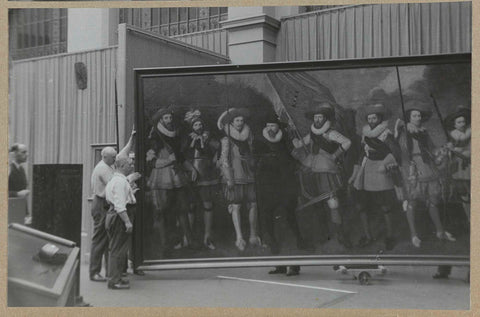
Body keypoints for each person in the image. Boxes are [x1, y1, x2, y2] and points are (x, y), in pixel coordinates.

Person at [395, 101, 455, 248]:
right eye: (414, 115)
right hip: (413, 168)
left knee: (433, 201)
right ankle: (414, 234)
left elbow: (432, 149)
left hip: (428, 166)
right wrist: (402, 134)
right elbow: (402, 151)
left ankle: (440, 231)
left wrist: (443, 150)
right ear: (409, 118)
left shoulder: (424, 132)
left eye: (419, 115)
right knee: (413, 202)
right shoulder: (405, 132)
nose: (418, 118)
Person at [291, 102, 352, 248]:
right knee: (317, 202)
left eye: (320, 117)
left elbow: (347, 142)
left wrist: (335, 155)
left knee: (332, 202)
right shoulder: (312, 133)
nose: (318, 120)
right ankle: (325, 234)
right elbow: (300, 144)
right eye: (316, 117)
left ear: (325, 118)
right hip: (311, 169)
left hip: (326, 169)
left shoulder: (330, 132)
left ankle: (340, 234)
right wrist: (293, 134)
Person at [349, 103, 402, 250]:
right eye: (370, 118)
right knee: (362, 205)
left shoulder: (386, 134)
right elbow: (362, 154)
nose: (372, 120)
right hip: (366, 171)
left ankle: (390, 236)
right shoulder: (365, 135)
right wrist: (355, 173)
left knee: (385, 206)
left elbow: (395, 153)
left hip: (381, 171)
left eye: (374, 118)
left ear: (379, 119)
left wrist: (384, 165)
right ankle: (368, 235)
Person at [146, 107, 198, 257]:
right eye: (166, 118)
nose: (169, 121)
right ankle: (165, 245)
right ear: (161, 120)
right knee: (162, 211)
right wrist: (168, 160)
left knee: (183, 208)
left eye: (170, 118)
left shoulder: (174, 135)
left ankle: (190, 240)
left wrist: (191, 168)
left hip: (177, 177)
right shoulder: (154, 137)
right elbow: (151, 162)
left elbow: (180, 157)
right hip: (162, 177)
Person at [89, 128, 138, 282]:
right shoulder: (103, 169)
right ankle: (94, 272)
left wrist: (132, 138)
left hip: (106, 203)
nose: (116, 159)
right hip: (101, 204)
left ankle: (113, 272)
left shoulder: (110, 162)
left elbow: (123, 152)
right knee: (101, 239)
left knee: (110, 240)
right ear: (105, 157)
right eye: (113, 158)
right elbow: (116, 186)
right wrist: (131, 178)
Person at [255, 112, 306, 255]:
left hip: (284, 181)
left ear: (278, 127)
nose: (271, 128)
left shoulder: (284, 139)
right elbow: (254, 158)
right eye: (269, 125)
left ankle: (299, 239)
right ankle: (272, 242)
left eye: (273, 125)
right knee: (267, 212)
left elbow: (291, 155)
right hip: (267, 183)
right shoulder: (260, 140)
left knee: (290, 210)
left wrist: (299, 164)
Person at [218, 108, 261, 251]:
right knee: (236, 206)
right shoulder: (226, 139)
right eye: (237, 120)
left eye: (242, 120)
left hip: (249, 175)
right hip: (235, 175)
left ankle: (253, 236)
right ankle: (239, 237)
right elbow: (224, 160)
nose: (240, 123)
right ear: (232, 122)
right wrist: (229, 178)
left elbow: (253, 154)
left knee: (253, 204)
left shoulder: (248, 137)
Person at [182, 109, 220, 250]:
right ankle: (188, 238)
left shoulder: (208, 137)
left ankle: (207, 237)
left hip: (207, 172)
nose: (198, 127)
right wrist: (190, 168)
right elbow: (182, 154)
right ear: (192, 127)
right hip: (191, 172)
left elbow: (218, 148)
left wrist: (207, 142)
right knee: (190, 205)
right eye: (196, 125)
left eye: (200, 124)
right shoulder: (187, 138)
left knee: (208, 204)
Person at [105, 154, 137, 289]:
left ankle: (116, 277)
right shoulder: (120, 182)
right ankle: (114, 281)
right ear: (122, 165)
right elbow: (119, 205)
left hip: (115, 216)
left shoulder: (116, 179)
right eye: (130, 163)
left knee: (117, 249)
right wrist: (127, 222)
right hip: (119, 217)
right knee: (117, 250)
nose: (132, 165)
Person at [444, 106, 471, 223]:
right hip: (460, 168)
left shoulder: (470, 132)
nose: (462, 124)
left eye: (463, 121)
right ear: (454, 125)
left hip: (471, 164)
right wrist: (452, 149)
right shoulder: (454, 136)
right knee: (464, 194)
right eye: (459, 122)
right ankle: (470, 218)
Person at [9, 143, 32, 224]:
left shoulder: (21, 169)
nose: (27, 154)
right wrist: (17, 194)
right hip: (9, 213)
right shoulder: (8, 169)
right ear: (14, 154)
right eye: (23, 152)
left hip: (20, 212)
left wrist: (26, 214)